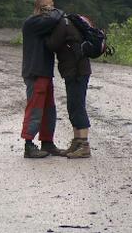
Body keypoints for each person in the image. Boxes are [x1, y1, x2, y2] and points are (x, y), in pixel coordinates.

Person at [20, 0, 67, 158]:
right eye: (49, 5)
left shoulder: (43, 23)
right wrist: (57, 11)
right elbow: (54, 18)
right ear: (41, 7)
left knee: (49, 110)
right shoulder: (33, 22)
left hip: (45, 72)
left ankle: (47, 143)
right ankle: (28, 145)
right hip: (35, 72)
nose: (52, 8)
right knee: (35, 109)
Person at [46, 12, 92, 158]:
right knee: (73, 106)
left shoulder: (62, 24)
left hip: (76, 71)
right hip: (76, 70)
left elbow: (52, 44)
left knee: (77, 106)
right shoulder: (69, 23)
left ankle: (84, 146)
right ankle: (77, 142)